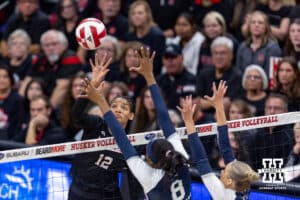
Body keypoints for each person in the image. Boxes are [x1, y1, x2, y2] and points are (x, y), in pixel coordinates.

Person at [81, 47, 191, 199]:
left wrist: (100, 99)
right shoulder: (181, 160)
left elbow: (121, 137)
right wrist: (149, 76)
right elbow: (164, 118)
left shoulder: (150, 178)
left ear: (151, 161)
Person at [69, 53, 143, 200]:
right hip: (79, 190)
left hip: (105, 195)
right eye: (114, 106)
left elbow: (134, 182)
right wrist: (93, 84)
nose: (117, 109)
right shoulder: (96, 124)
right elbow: (76, 115)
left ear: (131, 115)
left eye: (124, 107)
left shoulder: (131, 143)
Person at [178, 80, 259, 199]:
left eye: (225, 172)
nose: (221, 172)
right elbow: (225, 147)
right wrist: (219, 106)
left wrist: (188, 121)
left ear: (231, 182)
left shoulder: (222, 194)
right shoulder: (242, 186)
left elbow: (201, 160)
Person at [19, 30, 82, 109]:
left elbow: (62, 87)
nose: (50, 48)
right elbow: (27, 82)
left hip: (62, 105)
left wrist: (47, 111)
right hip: (42, 100)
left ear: (64, 45)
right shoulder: (40, 59)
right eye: (46, 45)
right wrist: (18, 107)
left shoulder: (70, 58)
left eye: (54, 44)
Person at [197, 36, 243, 114]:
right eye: (216, 53)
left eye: (223, 53)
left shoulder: (237, 76)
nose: (218, 57)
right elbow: (198, 102)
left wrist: (207, 103)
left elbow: (226, 103)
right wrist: (215, 102)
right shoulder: (204, 73)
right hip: (203, 118)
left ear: (231, 55)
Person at [253, 93, 294, 170]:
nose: (272, 111)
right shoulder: (256, 133)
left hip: (284, 179)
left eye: (277, 108)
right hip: (257, 179)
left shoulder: (291, 135)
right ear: (265, 110)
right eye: (269, 108)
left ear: (286, 111)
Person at [126, 0, 165, 75]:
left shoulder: (157, 35)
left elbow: (158, 63)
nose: (136, 16)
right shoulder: (130, 35)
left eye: (140, 13)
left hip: (151, 75)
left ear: (148, 15)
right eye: (133, 13)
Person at [157, 43, 197, 110]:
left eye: (173, 57)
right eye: (166, 58)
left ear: (182, 58)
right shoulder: (158, 81)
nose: (170, 61)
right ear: (162, 60)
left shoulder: (192, 80)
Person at [0, 64, 24, 140]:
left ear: (11, 79)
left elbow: (17, 127)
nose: (1, 80)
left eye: (5, 77)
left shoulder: (18, 100)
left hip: (9, 142)